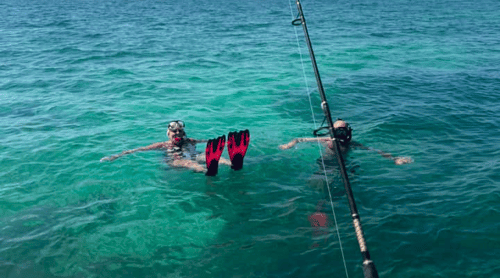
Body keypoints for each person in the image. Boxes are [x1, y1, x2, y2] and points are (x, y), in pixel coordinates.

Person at [100, 120, 250, 176]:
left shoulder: (190, 141)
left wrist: (227, 144)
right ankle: (205, 170)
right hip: (175, 162)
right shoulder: (162, 145)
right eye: (174, 132)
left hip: (194, 155)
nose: (178, 134)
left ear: (184, 133)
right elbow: (137, 150)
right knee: (188, 163)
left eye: (180, 131)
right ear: (168, 134)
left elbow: (209, 142)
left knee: (205, 155)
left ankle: (231, 164)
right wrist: (115, 156)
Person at [279, 118, 413, 165]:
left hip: (345, 164)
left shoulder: (351, 143)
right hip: (326, 162)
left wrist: (394, 159)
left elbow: (374, 150)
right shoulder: (325, 140)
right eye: (338, 130)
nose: (341, 133)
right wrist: (289, 145)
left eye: (343, 130)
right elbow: (299, 139)